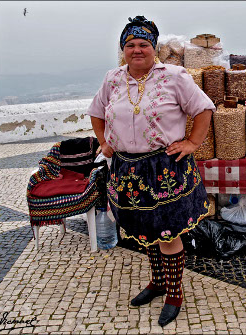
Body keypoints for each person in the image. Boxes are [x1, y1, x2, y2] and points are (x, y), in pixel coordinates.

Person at [87, 15, 215, 327]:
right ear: (123, 50)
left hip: (164, 168)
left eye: (143, 44)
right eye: (130, 45)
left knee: (168, 233)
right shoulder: (113, 79)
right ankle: (157, 283)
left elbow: (203, 108)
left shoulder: (174, 76)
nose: (137, 49)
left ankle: (174, 293)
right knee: (146, 230)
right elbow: (96, 111)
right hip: (127, 169)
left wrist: (192, 142)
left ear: (153, 48)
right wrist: (104, 142)